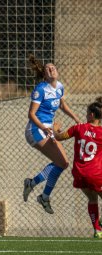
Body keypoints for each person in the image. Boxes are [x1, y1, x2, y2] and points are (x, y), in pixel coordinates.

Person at [23, 55, 81, 214]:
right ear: (44, 74)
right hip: (36, 129)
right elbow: (31, 114)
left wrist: (75, 117)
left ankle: (41, 193)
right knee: (60, 161)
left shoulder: (59, 87)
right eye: (48, 69)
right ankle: (35, 187)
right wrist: (45, 128)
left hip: (47, 129)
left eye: (53, 67)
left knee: (63, 163)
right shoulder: (41, 89)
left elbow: (62, 105)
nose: (51, 69)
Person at [52, 99, 102, 238]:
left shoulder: (78, 128)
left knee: (92, 199)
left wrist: (55, 129)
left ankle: (97, 230)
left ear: (91, 115)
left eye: (87, 113)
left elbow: (59, 137)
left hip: (80, 173)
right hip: (97, 174)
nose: (86, 116)